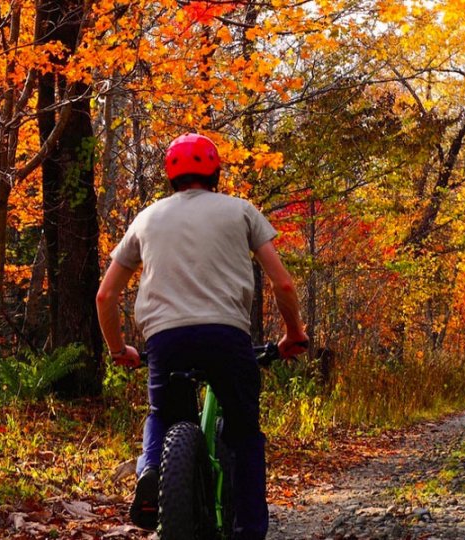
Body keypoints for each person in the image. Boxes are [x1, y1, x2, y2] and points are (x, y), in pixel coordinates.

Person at [96, 133, 309, 539]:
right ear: (216, 172)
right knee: (245, 434)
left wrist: (117, 348)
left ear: (169, 177)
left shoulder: (147, 218)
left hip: (164, 340)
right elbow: (283, 286)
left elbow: (106, 294)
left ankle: (152, 470)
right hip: (226, 335)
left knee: (162, 415)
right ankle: (248, 529)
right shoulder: (241, 211)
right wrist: (294, 334)